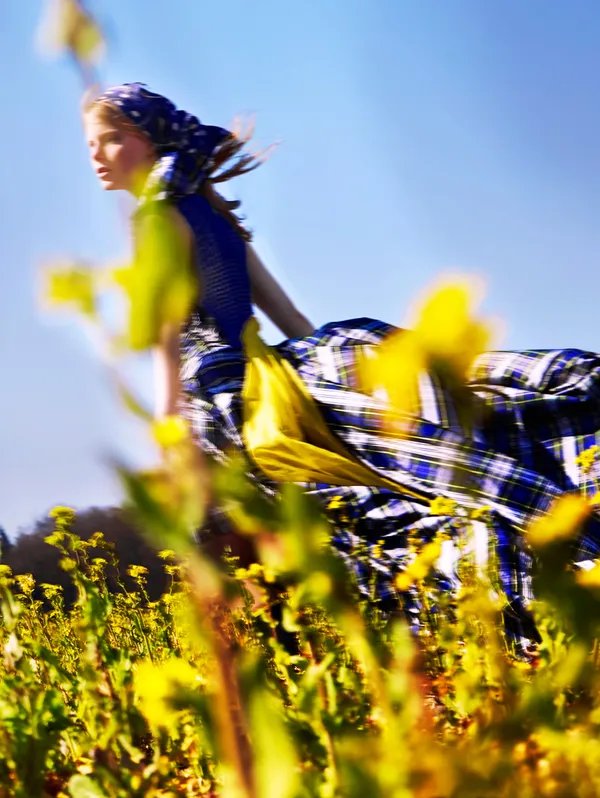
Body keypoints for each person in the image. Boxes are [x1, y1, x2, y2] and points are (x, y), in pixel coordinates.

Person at [83, 82, 600, 653]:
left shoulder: (152, 222)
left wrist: (167, 431)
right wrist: (340, 383)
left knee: (270, 558)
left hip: (218, 401)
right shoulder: (207, 207)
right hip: (272, 372)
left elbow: (168, 341)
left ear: (149, 141)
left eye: (112, 138)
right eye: (91, 143)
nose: (97, 154)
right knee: (402, 483)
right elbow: (290, 317)